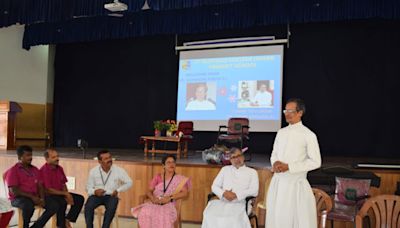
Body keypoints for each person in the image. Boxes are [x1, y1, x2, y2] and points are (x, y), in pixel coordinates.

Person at [266, 98, 321, 228]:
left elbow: (316, 162)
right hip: (278, 183)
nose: (287, 113)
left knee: (295, 220)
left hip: (295, 185)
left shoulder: (308, 135)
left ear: (300, 113)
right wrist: (275, 163)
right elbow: (274, 154)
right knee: (276, 219)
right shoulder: (281, 132)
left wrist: (289, 167)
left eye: (291, 111)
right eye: (286, 110)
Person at [202, 147, 259, 228]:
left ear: (243, 156)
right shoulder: (225, 169)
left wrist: (236, 195)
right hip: (223, 202)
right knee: (209, 214)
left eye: (238, 156)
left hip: (241, 203)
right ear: (230, 160)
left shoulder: (252, 172)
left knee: (233, 218)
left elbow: (254, 191)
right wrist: (224, 193)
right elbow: (214, 186)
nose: (237, 159)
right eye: (233, 157)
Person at [4, 145, 58, 228]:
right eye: (27, 155)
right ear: (20, 157)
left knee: (53, 205)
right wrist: (32, 197)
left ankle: (36, 226)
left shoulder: (35, 169)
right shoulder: (13, 171)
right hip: (18, 197)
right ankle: (25, 226)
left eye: (31, 155)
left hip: (34, 196)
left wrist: (42, 198)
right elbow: (14, 191)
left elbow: (40, 185)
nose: (30, 158)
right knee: (28, 206)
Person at [131, 155, 191, 228]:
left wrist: (169, 198)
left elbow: (185, 193)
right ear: (163, 166)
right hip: (155, 202)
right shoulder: (158, 177)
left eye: (173, 162)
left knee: (164, 214)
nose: (171, 164)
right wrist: (153, 198)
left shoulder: (180, 179)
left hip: (169, 203)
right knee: (145, 211)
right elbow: (149, 191)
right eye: (168, 162)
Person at [85, 150, 133, 228]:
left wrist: (118, 190)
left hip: (111, 195)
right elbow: (88, 187)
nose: (109, 160)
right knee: (88, 206)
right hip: (97, 195)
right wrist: (94, 191)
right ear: (100, 161)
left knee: (111, 207)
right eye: (106, 158)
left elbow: (129, 182)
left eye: (110, 157)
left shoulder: (118, 170)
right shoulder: (93, 171)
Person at [39, 149, 84, 228]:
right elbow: (48, 190)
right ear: (47, 159)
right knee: (62, 202)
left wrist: (67, 194)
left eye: (57, 156)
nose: (57, 159)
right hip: (49, 195)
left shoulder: (59, 168)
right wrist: (65, 194)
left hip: (60, 193)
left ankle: (67, 219)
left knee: (79, 199)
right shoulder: (44, 170)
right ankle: (61, 225)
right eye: (53, 157)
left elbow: (63, 184)